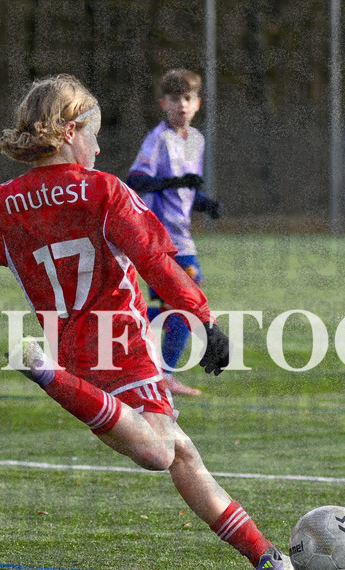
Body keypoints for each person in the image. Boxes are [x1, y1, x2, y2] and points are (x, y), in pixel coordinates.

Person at [0, 74, 297, 570]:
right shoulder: (103, 191)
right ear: (70, 131)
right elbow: (156, 261)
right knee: (161, 451)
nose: (98, 145)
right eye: (93, 132)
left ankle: (266, 558)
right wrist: (204, 318)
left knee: (180, 451)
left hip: (74, 352)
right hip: (123, 345)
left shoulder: (3, 204)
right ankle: (45, 375)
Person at [126, 69, 221, 397]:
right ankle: (164, 374)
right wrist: (174, 183)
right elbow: (136, 180)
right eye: (175, 99)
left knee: (178, 310)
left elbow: (186, 191)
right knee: (188, 306)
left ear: (197, 103)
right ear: (163, 103)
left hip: (182, 236)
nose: (182, 105)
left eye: (188, 98)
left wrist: (205, 203)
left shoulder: (196, 140)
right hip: (159, 238)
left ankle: (119, 322)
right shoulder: (158, 139)